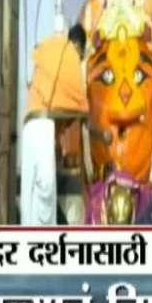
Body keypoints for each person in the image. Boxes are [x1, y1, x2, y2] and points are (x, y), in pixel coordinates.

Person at [20, 24, 89, 225]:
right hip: (42, 126)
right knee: (45, 190)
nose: (79, 61)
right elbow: (80, 107)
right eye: (81, 55)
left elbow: (58, 104)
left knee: (30, 196)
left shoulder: (50, 49)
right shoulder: (69, 53)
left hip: (30, 126)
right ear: (78, 45)